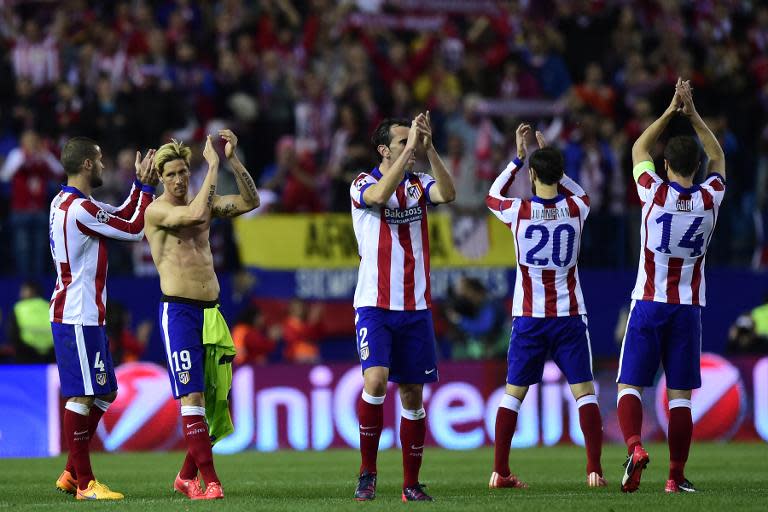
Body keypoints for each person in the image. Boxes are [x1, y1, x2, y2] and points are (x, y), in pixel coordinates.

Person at [616, 79, 726, 494]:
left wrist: (670, 111)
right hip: (687, 308)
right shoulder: (711, 197)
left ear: (667, 167)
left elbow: (638, 149)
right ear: (697, 169)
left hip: (648, 303)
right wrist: (693, 113)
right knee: (680, 397)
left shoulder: (653, 194)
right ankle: (675, 477)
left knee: (631, 385)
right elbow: (717, 154)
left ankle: (635, 446)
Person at [485, 124, 605, 489]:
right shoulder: (577, 207)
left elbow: (492, 196)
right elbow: (579, 190)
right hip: (569, 316)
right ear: (560, 172)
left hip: (529, 318)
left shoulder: (519, 212)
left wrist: (519, 159)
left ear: (533, 175)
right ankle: (594, 471)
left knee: (513, 395)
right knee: (584, 392)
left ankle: (500, 471)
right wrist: (549, 157)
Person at [144, 130, 259, 500]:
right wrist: (211, 165)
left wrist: (231, 161)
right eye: (171, 174)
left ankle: (184, 477)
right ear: (160, 179)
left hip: (212, 313)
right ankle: (211, 483)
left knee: (215, 402)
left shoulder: (203, 200)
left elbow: (251, 201)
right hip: (179, 312)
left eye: (182, 172)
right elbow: (194, 214)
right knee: (192, 397)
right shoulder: (157, 211)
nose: (178, 180)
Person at [350, 113, 455, 502]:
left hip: (416, 306)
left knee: (413, 393)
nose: (407, 150)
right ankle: (367, 474)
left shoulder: (418, 185)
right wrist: (412, 146)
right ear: (383, 150)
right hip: (374, 305)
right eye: (400, 144)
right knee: (375, 382)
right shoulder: (362, 183)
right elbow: (378, 199)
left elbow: (448, 193)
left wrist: (429, 150)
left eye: (408, 143)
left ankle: (411, 484)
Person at [50, 137, 156, 500]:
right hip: (77, 313)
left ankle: (70, 471)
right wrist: (146, 187)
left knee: (106, 390)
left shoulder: (68, 202)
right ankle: (85, 484)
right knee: (82, 395)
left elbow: (122, 214)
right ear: (86, 166)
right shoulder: (79, 209)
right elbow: (134, 228)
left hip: (86, 315)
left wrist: (140, 186)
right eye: (99, 160)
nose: (104, 166)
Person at [8, 280, 55, 363]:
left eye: (23, 290)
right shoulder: (49, 306)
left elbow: (13, 333)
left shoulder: (19, 308)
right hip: (51, 356)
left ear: (31, 291)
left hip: (26, 357)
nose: (20, 293)